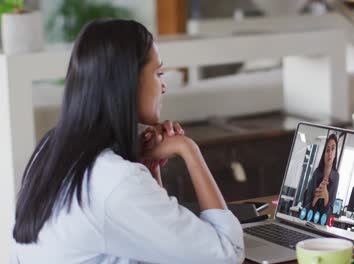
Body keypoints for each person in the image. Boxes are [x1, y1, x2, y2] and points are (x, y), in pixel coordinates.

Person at [12, 19, 244, 264]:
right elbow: (227, 253)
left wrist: (151, 169)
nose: (163, 86)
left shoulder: (51, 150)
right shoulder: (115, 179)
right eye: (158, 73)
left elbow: (160, 247)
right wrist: (189, 150)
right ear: (127, 82)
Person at [302, 134, 340, 216]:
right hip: (309, 219)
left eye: (333, 149)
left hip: (322, 224)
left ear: (335, 154)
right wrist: (315, 199)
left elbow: (330, 211)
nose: (330, 153)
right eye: (327, 150)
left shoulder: (336, 176)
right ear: (324, 154)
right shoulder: (317, 172)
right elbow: (306, 205)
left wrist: (326, 197)